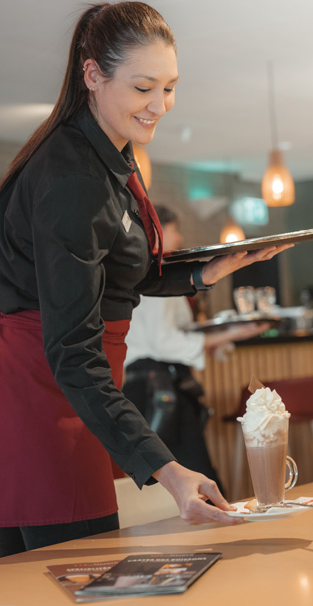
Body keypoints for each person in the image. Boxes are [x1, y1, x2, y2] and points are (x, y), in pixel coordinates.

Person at [0, 1, 289, 557]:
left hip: (71, 391)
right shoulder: (72, 176)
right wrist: (167, 468)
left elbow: (116, 273)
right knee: (73, 581)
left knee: (86, 577)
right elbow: (72, 351)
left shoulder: (107, 154)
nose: (160, 105)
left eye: (170, 87)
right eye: (143, 88)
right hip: (38, 398)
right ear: (92, 75)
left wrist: (208, 270)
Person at [123, 204, 269, 490]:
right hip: (158, 390)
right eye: (175, 230)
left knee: (186, 478)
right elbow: (164, 342)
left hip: (159, 386)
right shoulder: (152, 279)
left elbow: (176, 334)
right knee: (192, 476)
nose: (178, 239)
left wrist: (222, 337)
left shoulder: (153, 275)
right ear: (158, 232)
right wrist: (233, 334)